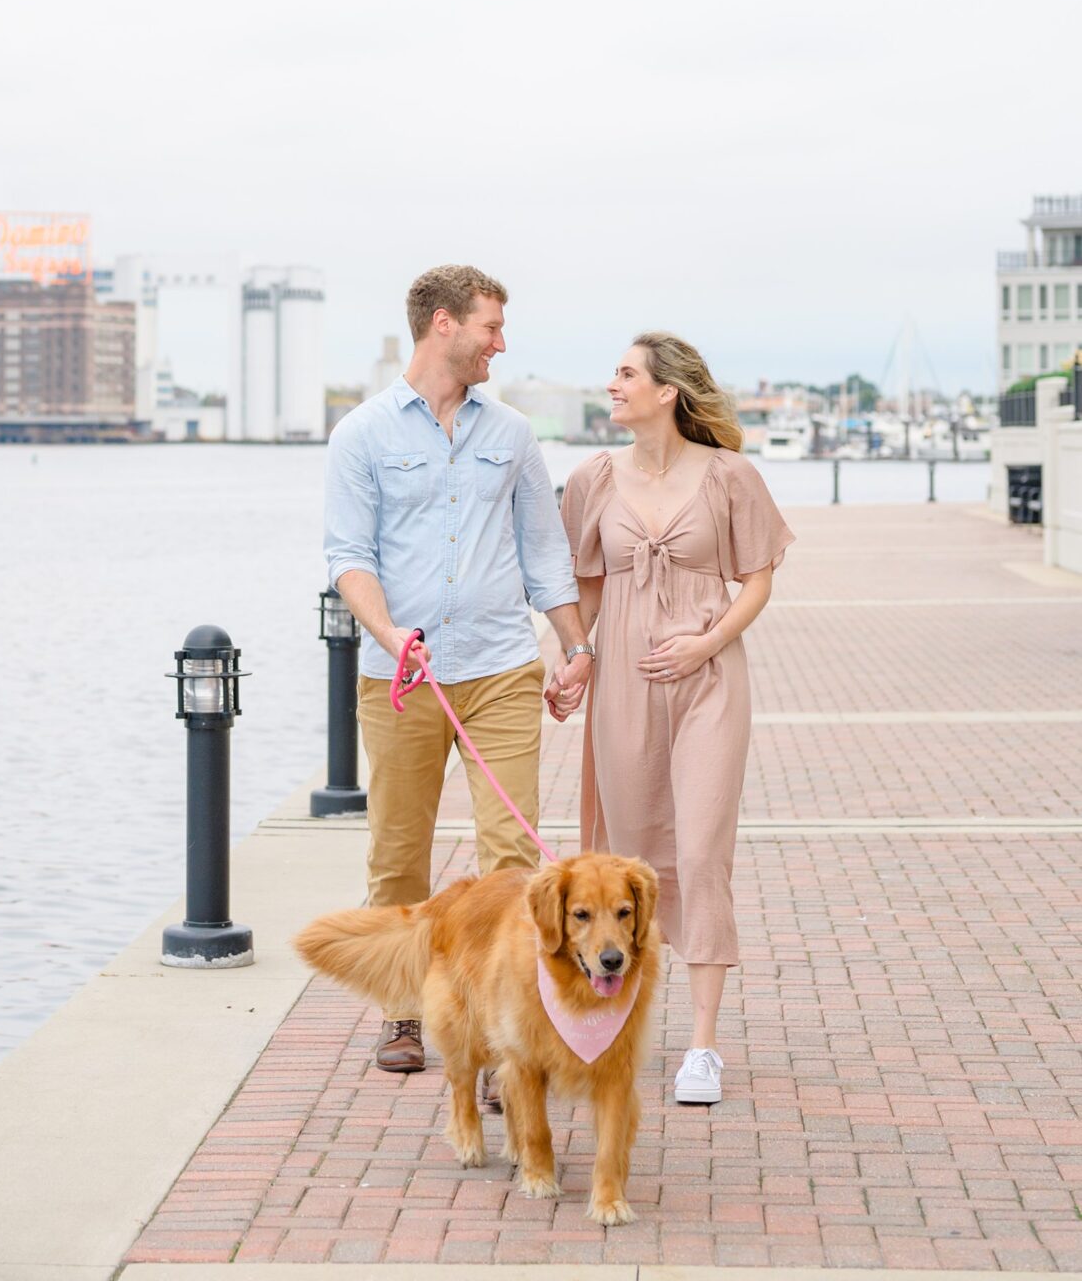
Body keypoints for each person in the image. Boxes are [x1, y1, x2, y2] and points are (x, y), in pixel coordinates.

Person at [324, 264, 595, 1081]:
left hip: (500, 667)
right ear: (443, 324)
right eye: (489, 327)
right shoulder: (361, 436)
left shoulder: (509, 435)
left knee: (510, 854)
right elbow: (348, 558)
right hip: (399, 676)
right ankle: (403, 1013)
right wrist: (389, 632)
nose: (499, 344)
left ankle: (497, 1027)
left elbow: (544, 552)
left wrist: (575, 649)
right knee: (397, 852)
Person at [550, 333, 793, 1108]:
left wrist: (708, 641)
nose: (612, 384)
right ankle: (614, 1027)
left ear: (667, 392)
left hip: (708, 680)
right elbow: (583, 586)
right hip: (621, 680)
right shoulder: (591, 479)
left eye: (625, 374)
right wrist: (575, 657)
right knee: (624, 860)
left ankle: (702, 1047)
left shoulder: (728, 476)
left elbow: (756, 580)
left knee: (698, 849)